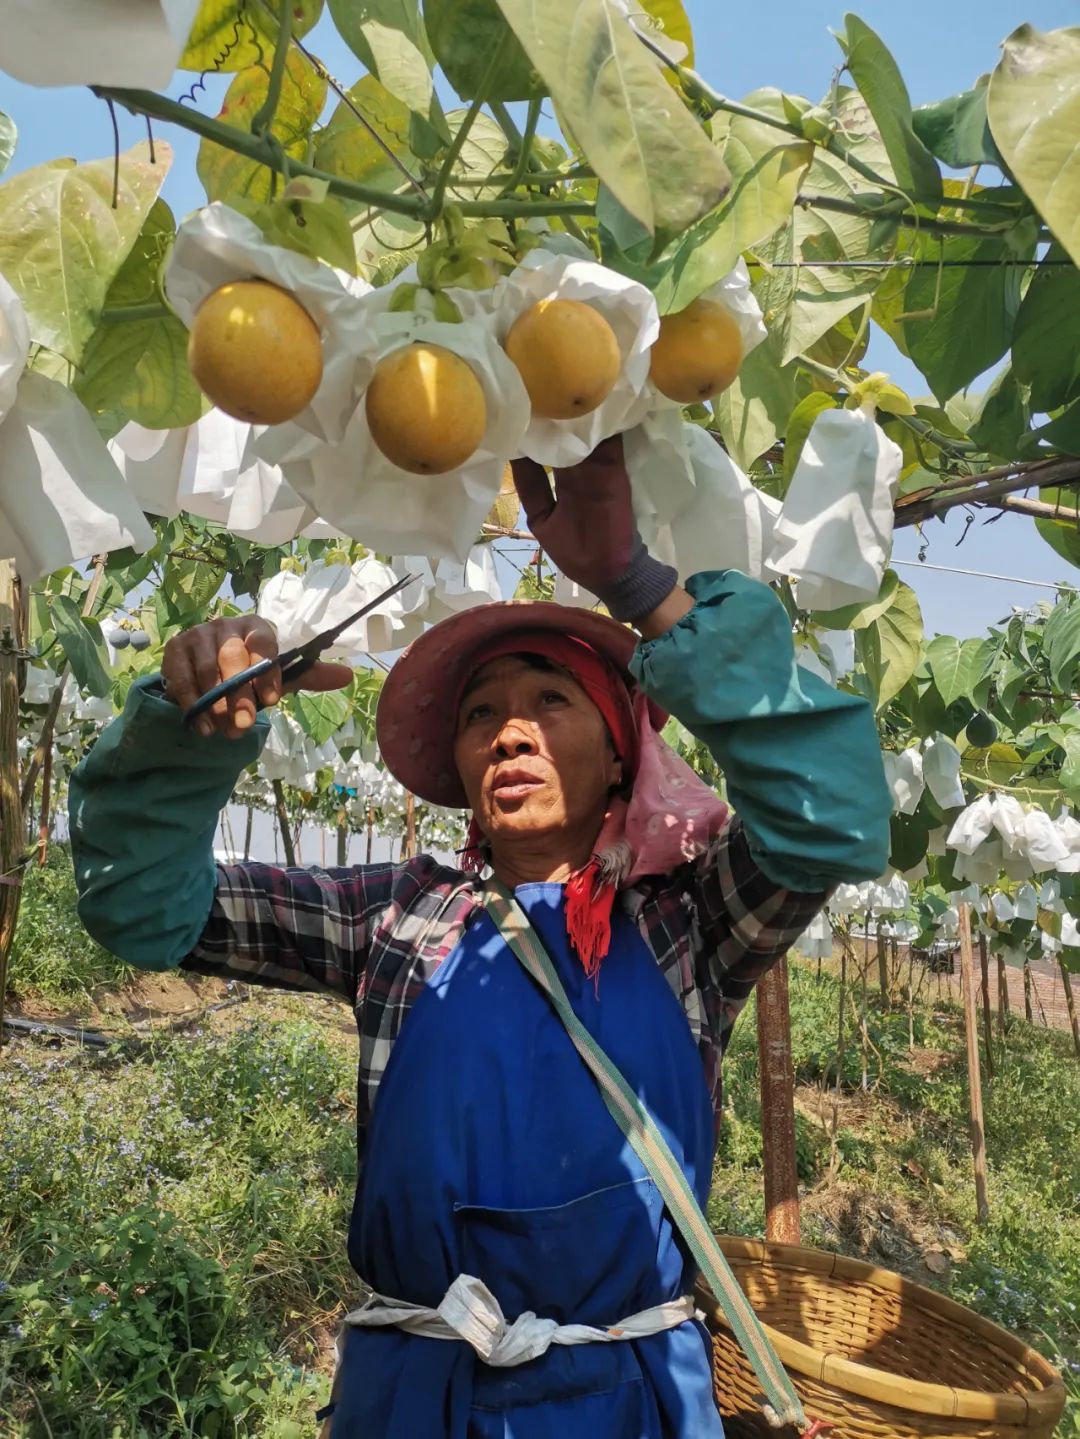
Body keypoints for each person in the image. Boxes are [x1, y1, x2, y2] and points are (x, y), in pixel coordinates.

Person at [70, 438, 891, 1438]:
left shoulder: (688, 920)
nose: (510, 731)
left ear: (623, 751)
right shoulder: (399, 915)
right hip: (414, 1395)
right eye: (482, 714)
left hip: (632, 1396)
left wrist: (637, 583)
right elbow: (149, 909)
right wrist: (181, 735)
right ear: (459, 765)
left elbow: (834, 814)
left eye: (552, 701)